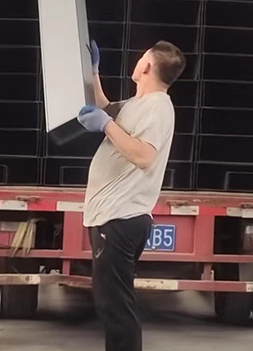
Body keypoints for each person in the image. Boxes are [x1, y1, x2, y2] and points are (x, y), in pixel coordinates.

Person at [77, 40, 186, 351]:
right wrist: (93, 72)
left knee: (116, 308)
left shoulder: (158, 107)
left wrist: (106, 126)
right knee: (112, 304)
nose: (137, 61)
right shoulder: (138, 104)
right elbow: (105, 108)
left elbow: (143, 156)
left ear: (147, 65)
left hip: (121, 218)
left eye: (142, 57)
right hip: (113, 216)